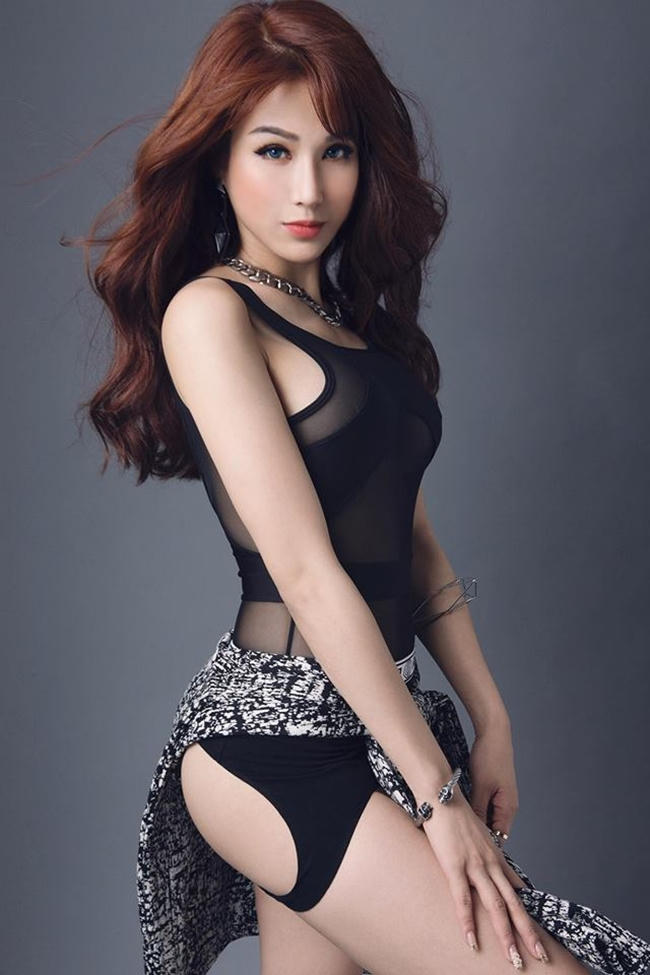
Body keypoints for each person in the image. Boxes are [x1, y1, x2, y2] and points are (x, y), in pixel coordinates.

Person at [74, 2, 650, 974]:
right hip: (269, 737)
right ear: (218, 160)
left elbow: (413, 547)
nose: (308, 188)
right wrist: (438, 797)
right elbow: (304, 571)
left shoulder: (355, 327)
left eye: (334, 151)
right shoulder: (211, 313)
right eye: (272, 150)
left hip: (373, 718)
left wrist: (491, 717)